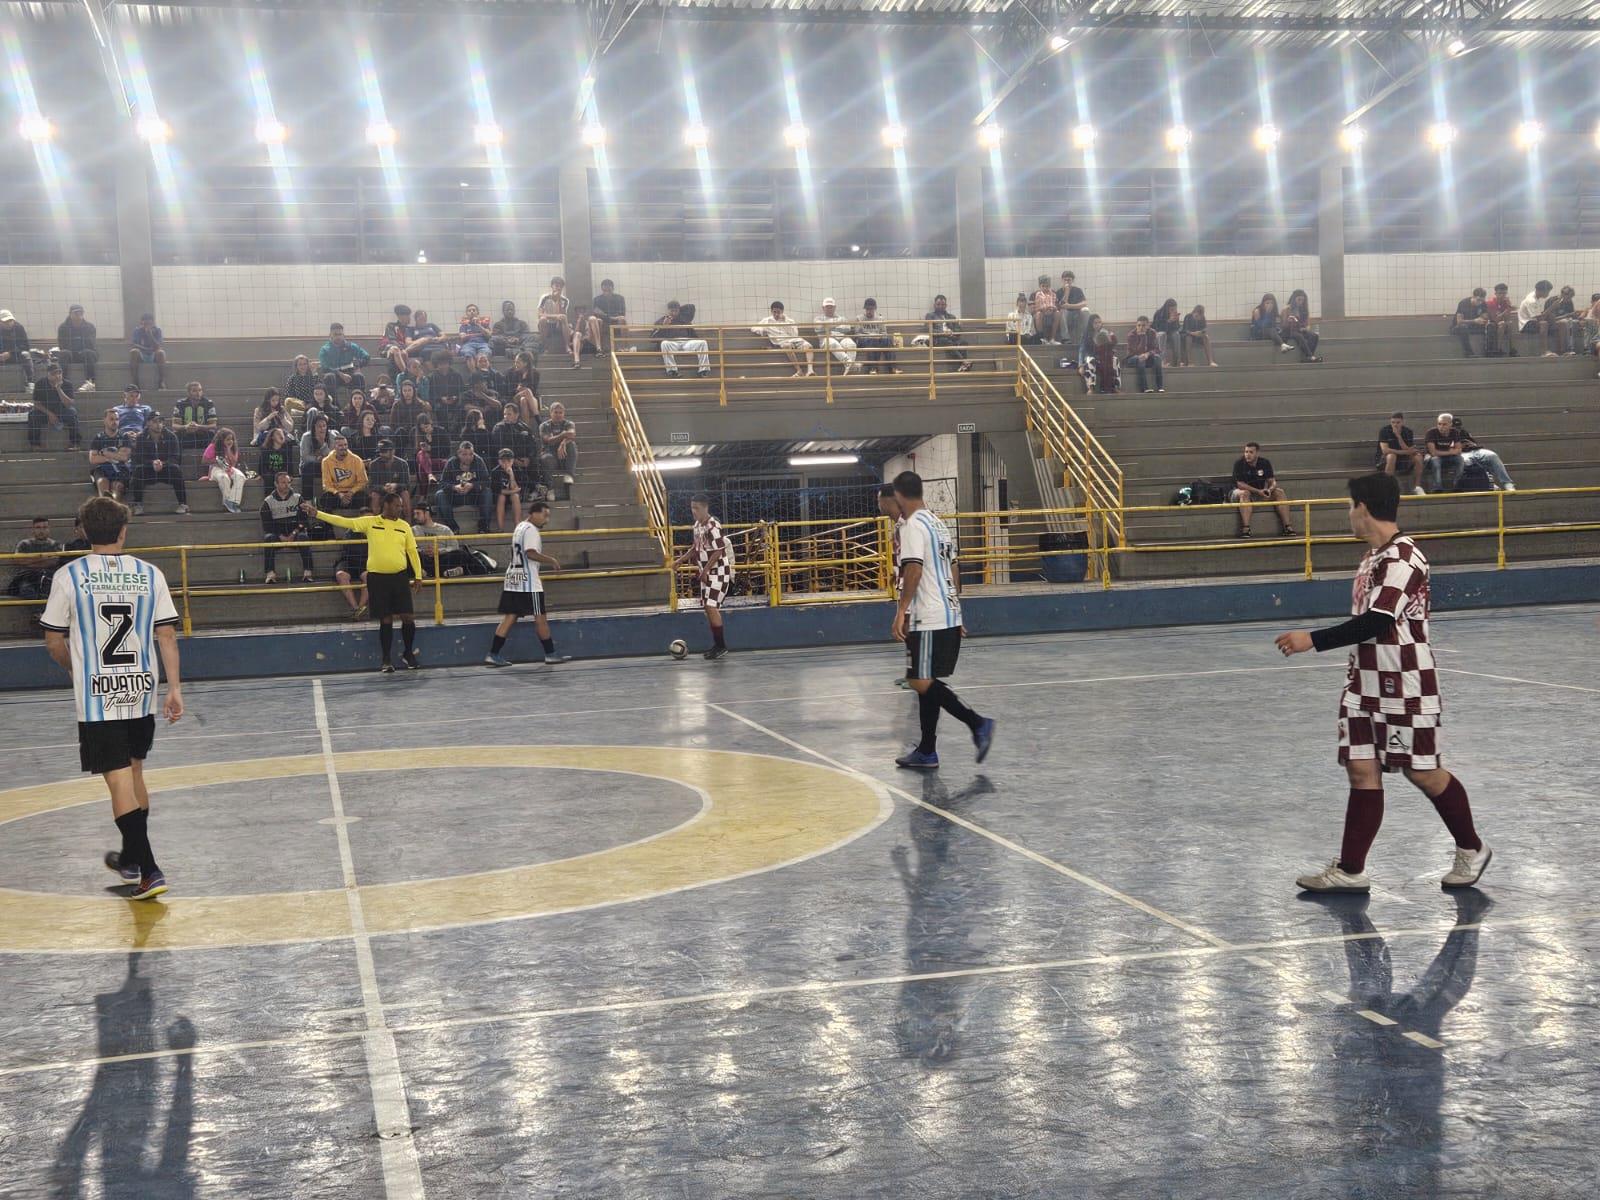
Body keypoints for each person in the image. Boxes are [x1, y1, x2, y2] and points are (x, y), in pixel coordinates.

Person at [1275, 472, 1490, 894]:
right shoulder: (1373, 557)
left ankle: (1472, 848)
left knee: (1422, 772)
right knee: (1361, 769)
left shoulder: (1403, 558)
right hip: (1363, 685)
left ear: (1364, 508)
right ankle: (1351, 870)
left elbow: (1376, 622)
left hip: (1406, 684)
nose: (1348, 514)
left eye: (1349, 505)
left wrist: (1311, 641)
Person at [40, 495, 184, 900]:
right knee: (135, 772)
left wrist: (75, 669)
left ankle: (150, 870)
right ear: (123, 531)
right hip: (140, 690)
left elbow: (53, 639)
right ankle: (132, 857)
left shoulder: (69, 575)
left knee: (118, 780)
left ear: (84, 531)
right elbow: (167, 634)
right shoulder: (149, 573)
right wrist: (173, 688)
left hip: (97, 694)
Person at [889, 470, 993, 770]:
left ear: (898, 496)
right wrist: (955, 609)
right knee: (926, 680)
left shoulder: (911, 526)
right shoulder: (938, 523)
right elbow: (952, 569)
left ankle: (977, 723)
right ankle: (927, 750)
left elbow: (914, 570)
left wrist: (902, 610)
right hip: (946, 612)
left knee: (919, 680)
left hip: (929, 617)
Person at [304, 490, 422, 672]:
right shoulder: (371, 523)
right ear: (387, 505)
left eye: (401, 506)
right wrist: (317, 513)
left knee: (408, 617)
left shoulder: (405, 526)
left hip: (399, 577)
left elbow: (412, 551)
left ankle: (408, 653)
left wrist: (418, 576)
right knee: (386, 619)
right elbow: (344, 521)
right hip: (378, 578)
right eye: (397, 505)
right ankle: (386, 659)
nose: (400, 508)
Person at [484, 499, 570, 667]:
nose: (547, 520)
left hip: (513, 579)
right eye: (545, 515)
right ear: (535, 513)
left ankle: (492, 654)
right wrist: (551, 560)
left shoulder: (520, 527)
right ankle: (550, 654)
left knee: (510, 617)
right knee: (540, 617)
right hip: (528, 582)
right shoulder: (531, 530)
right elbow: (530, 553)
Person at [675, 492, 735, 659]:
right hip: (707, 574)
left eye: (697, 508)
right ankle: (718, 645)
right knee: (709, 609)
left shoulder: (712, 525)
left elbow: (719, 550)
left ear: (705, 508)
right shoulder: (697, 526)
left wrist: (706, 570)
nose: (694, 511)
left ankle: (721, 646)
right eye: (692, 508)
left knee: (710, 606)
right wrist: (680, 560)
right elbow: (695, 548)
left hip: (719, 572)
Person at [1424, 412, 1516, 493]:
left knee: (1492, 456)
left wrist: (1463, 447)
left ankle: (1507, 483)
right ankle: (1488, 483)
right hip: (1462, 454)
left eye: (1445, 424)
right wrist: (1453, 451)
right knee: (1466, 461)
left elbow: (1465, 446)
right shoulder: (1435, 433)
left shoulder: (1461, 432)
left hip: (1475, 450)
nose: (1442, 427)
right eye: (1440, 424)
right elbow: (1443, 451)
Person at [1230, 441, 1295, 537]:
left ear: (1257, 453)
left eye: (1251, 452)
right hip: (1237, 493)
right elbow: (1240, 485)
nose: (1247, 455)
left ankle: (1287, 527)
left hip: (1258, 493)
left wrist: (1270, 489)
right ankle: (1246, 529)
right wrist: (1258, 491)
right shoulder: (1239, 463)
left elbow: (1272, 481)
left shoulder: (1264, 463)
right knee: (1245, 493)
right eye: (1246, 452)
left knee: (1280, 492)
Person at [259, 472, 314, 584]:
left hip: (295, 532)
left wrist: (294, 533)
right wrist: (281, 536)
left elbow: (303, 520)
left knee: (303, 537)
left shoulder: (298, 498)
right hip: (277, 534)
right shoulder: (268, 502)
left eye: (288, 482)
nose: (287, 485)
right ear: (276, 484)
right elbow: (267, 524)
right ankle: (270, 574)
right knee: (268, 539)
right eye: (283, 482)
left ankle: (308, 573)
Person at [129, 413, 188, 516]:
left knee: (176, 470)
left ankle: (183, 504)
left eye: (160, 421)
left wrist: (163, 463)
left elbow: (176, 458)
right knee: (138, 471)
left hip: (166, 470)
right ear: (148, 423)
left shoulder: (171, 436)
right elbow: (137, 458)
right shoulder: (140, 437)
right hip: (148, 470)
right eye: (155, 421)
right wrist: (152, 463)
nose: (158, 424)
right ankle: (138, 505)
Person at [435, 440, 493, 530]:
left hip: (473, 496)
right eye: (465, 454)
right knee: (439, 494)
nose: (468, 457)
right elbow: (442, 483)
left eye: (471, 454)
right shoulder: (451, 462)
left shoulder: (479, 461)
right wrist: (454, 487)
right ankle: (453, 528)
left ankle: (484, 526)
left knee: (488, 492)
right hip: (456, 496)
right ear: (459, 453)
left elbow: (487, 481)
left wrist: (473, 485)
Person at [752, 301, 814, 377]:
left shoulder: (789, 321)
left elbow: (795, 334)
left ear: (782, 311)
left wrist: (785, 323)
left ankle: (810, 370)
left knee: (809, 346)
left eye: (778, 312)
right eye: (774, 312)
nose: (776, 314)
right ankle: (799, 370)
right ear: (771, 311)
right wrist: (761, 331)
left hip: (794, 340)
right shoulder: (766, 321)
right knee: (786, 345)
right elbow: (753, 327)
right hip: (782, 342)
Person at [29, 362, 83, 450]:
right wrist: (50, 414)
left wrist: (58, 388)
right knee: (32, 415)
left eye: (59, 372)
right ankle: (35, 445)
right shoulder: (40, 383)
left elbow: (68, 404)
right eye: (54, 373)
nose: (57, 375)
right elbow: (36, 403)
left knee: (72, 413)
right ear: (48, 374)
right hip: (45, 411)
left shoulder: (67, 384)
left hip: (62, 410)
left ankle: (75, 443)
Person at [7, 517, 62, 600]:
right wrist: (43, 558)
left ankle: (39, 612)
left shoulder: (55, 544)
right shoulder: (24, 544)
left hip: (48, 577)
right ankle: (38, 612)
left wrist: (30, 560)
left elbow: (53, 561)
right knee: (26, 590)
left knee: (51, 590)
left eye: (44, 527)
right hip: (27, 578)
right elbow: (18, 560)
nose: (41, 530)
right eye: (38, 527)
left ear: (49, 529)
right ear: (33, 529)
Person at [654, 301, 710, 378]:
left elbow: (691, 307)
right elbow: (653, 338)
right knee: (664, 343)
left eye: (676, 310)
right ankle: (672, 371)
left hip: (686, 342)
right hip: (672, 343)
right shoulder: (662, 320)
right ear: (668, 310)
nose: (673, 313)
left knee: (703, 343)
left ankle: (703, 370)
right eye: (671, 311)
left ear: (679, 310)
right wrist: (663, 326)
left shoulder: (684, 319)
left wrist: (680, 309)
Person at [201, 428, 250, 514]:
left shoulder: (233, 448)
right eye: (227, 439)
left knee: (240, 476)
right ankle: (227, 501)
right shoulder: (213, 446)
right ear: (222, 440)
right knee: (224, 477)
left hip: (229, 468)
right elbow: (204, 460)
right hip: (216, 468)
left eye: (232, 439)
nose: (230, 441)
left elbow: (233, 462)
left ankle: (233, 502)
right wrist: (217, 461)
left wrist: (228, 449)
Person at [1376, 413, 1426, 494]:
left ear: (1402, 422)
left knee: (1418, 457)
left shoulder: (1408, 431)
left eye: (1398, 422)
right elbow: (1385, 450)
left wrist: (1398, 436)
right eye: (1393, 422)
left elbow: (1408, 449)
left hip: (1403, 458)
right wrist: (1404, 452)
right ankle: (1388, 487)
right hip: (1385, 459)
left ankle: (1417, 487)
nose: (1395, 425)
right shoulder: (1384, 431)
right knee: (1392, 456)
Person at [89, 410, 133, 499]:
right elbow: (92, 459)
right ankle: (106, 503)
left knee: (117, 486)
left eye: (117, 419)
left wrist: (104, 453)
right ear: (104, 420)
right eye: (111, 419)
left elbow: (124, 457)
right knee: (102, 482)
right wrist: (110, 458)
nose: (115, 422)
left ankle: (112, 503)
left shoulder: (124, 437)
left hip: (121, 469)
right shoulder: (98, 438)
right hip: (102, 469)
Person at [320, 433, 368, 514]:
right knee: (325, 499)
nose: (344, 447)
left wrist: (351, 492)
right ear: (334, 447)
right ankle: (328, 526)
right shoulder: (326, 461)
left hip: (353, 493)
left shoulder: (356, 460)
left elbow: (363, 481)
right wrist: (339, 494)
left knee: (364, 498)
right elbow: (326, 484)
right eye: (340, 445)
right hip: (337, 494)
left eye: (345, 445)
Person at [319, 322, 370, 396]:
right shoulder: (325, 349)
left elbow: (366, 357)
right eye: (335, 334)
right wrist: (340, 374)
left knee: (359, 376)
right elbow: (325, 367)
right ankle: (333, 405)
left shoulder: (351, 346)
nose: (338, 337)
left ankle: (361, 403)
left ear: (343, 335)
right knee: (329, 377)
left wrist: (357, 366)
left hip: (349, 374)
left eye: (340, 334)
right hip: (334, 375)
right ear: (330, 335)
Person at [53, 303, 99, 387]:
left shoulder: (89, 327)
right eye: (76, 313)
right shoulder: (63, 327)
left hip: (86, 354)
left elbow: (91, 345)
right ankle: (62, 382)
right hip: (71, 354)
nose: (79, 315)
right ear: (70, 314)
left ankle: (90, 382)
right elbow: (62, 345)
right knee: (64, 353)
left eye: (81, 313)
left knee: (88, 353)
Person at [1516, 280, 1564, 357]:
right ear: (1542, 291)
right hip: (1526, 324)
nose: (1548, 294)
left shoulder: (1537, 298)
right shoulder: (1531, 300)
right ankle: (1544, 351)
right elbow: (1540, 319)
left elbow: (1541, 315)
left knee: (1561, 324)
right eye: (1548, 291)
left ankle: (1562, 350)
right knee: (1543, 324)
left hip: (1533, 321)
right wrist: (1552, 307)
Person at [922, 295, 970, 370]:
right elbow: (928, 329)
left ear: (946, 305)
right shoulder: (930, 316)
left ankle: (963, 366)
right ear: (934, 305)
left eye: (943, 304)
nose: (940, 306)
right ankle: (964, 362)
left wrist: (952, 333)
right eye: (938, 304)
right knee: (945, 340)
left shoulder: (952, 317)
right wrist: (943, 332)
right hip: (938, 339)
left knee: (963, 342)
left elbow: (959, 329)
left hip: (951, 337)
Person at [367, 439, 413, 515]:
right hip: (381, 492)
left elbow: (407, 484)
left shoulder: (402, 464)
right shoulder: (374, 464)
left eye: (384, 452)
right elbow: (372, 486)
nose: (382, 454)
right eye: (380, 452)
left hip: (397, 492)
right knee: (374, 495)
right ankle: (375, 523)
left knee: (405, 493)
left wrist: (396, 485)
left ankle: (408, 524)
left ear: (392, 451)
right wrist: (383, 488)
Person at [170, 381, 218, 453]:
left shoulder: (208, 403)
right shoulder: (180, 403)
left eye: (200, 390)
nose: (198, 393)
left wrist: (198, 427)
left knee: (212, 435)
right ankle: (176, 462)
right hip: (186, 436)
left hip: (202, 436)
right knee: (175, 435)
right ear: (189, 393)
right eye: (194, 391)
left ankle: (209, 461)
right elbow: (174, 426)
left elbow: (213, 425)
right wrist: (186, 427)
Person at [539, 402, 578, 486]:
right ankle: (550, 488)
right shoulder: (544, 426)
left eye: (560, 412)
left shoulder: (569, 424)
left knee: (571, 445)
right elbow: (549, 440)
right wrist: (563, 434)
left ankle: (569, 475)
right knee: (545, 458)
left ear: (564, 413)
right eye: (555, 412)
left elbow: (572, 434)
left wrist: (563, 443)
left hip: (565, 456)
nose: (558, 415)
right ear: (551, 413)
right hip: (551, 455)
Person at [0, 308, 44, 383]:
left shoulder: (18, 328)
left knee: (25, 355)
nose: (9, 323)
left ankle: (30, 382)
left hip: (15, 355)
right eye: (5, 321)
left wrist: (10, 353)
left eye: (10, 320)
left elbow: (26, 346)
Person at [298, 412, 334, 504]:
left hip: (327, 465)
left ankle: (328, 502)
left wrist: (323, 445)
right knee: (307, 467)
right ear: (314, 427)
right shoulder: (306, 437)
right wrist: (318, 459)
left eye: (324, 426)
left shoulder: (332, 436)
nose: (322, 428)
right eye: (319, 426)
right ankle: (308, 501)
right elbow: (305, 457)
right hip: (310, 467)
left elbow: (333, 455)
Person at [815, 298, 858, 373]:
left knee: (851, 344)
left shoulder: (841, 318)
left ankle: (849, 369)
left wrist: (829, 327)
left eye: (831, 307)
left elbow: (847, 328)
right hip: (826, 340)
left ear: (834, 307)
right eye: (827, 307)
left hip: (842, 338)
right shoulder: (818, 318)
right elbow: (819, 327)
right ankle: (850, 364)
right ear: (823, 308)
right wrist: (838, 325)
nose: (829, 309)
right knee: (833, 343)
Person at [1122, 316, 1165, 393]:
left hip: (1147, 357)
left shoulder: (1152, 332)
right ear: (1136, 325)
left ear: (1148, 326)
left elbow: (1157, 349)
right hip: (1132, 359)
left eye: (1143, 325)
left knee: (1157, 358)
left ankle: (1160, 387)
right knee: (1140, 359)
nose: (1141, 327)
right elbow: (1137, 352)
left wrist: (1148, 354)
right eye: (1139, 325)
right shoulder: (1131, 335)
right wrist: (1143, 337)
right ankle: (1144, 388)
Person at [1079, 314, 1118, 394]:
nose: (1098, 325)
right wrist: (1081, 365)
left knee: (1115, 360)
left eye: (1099, 322)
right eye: (1095, 323)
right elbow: (1082, 350)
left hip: (1103, 357)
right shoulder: (1087, 334)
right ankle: (1091, 387)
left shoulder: (1105, 332)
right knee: (1091, 360)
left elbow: (1111, 346)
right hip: (1091, 356)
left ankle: (1115, 386)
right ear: (1091, 324)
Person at [129, 313, 166, 392]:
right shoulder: (137, 331)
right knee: (133, 352)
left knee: (161, 353)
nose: (147, 325)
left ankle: (161, 381)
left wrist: (150, 334)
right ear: (141, 323)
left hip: (154, 355)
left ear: (152, 323)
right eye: (145, 323)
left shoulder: (157, 330)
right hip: (141, 354)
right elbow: (134, 345)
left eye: (149, 323)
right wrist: (147, 349)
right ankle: (135, 383)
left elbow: (158, 346)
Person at [856, 299, 897, 372]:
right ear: (865, 309)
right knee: (871, 341)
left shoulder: (880, 318)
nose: (869, 311)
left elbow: (884, 333)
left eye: (871, 309)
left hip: (878, 339)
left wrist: (879, 337)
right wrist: (870, 336)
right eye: (867, 309)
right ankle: (872, 368)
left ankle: (892, 367)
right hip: (865, 340)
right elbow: (857, 334)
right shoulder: (859, 318)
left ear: (875, 309)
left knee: (888, 340)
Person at [1282, 290, 1322, 362]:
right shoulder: (1286, 309)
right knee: (1299, 336)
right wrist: (1288, 321)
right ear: (1294, 299)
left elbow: (1307, 324)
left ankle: (1308, 357)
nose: (1300, 302)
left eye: (1302, 300)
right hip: (1290, 331)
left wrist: (1305, 328)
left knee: (1314, 336)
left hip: (1300, 330)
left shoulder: (1304, 309)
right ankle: (1310, 356)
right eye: (1299, 299)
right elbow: (1283, 326)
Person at [490, 447, 524, 531]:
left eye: (509, 461)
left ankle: (517, 526)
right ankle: (500, 528)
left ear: (513, 461)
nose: (506, 463)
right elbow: (499, 491)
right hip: (500, 497)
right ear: (499, 461)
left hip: (513, 496)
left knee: (515, 496)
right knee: (501, 497)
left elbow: (516, 488)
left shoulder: (517, 470)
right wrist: (514, 491)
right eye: (503, 461)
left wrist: (511, 475)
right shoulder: (495, 472)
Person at [537, 277, 572, 355]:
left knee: (563, 317)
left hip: (558, 325)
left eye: (560, 286)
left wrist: (558, 300)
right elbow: (539, 314)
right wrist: (554, 316)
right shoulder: (545, 297)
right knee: (542, 319)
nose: (558, 288)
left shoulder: (565, 300)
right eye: (556, 285)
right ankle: (545, 347)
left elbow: (563, 315)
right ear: (552, 286)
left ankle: (567, 346)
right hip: (547, 324)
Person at [1451, 288, 1490, 358]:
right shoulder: (1463, 303)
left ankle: (1490, 351)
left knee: (1490, 327)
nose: (1480, 302)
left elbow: (1485, 316)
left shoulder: (1483, 304)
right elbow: (1459, 321)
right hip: (1458, 327)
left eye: (1482, 300)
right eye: (1478, 300)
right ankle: (1469, 353)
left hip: (1473, 327)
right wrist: (1474, 321)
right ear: (1473, 297)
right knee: (1463, 327)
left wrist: (1484, 319)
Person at [591, 279, 627, 350]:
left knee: (622, 319)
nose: (607, 291)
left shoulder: (620, 298)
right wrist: (610, 317)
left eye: (609, 288)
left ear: (613, 288)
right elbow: (596, 314)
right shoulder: (597, 299)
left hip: (616, 321)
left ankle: (624, 347)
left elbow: (622, 313)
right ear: (602, 289)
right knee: (597, 320)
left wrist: (613, 317)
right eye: (605, 289)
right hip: (603, 322)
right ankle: (599, 348)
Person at [1484, 283, 1519, 357]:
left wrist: (1509, 307)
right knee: (1502, 324)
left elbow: (1507, 319)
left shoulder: (1505, 303)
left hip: (1502, 325)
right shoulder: (1490, 303)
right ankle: (1498, 349)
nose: (1502, 295)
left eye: (1504, 293)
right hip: (1491, 325)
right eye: (1500, 293)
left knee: (1510, 323)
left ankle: (1512, 349)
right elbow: (1495, 320)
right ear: (1495, 293)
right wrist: (1507, 310)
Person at [380, 304, 415, 375]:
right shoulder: (391, 325)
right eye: (407, 316)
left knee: (402, 353)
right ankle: (406, 375)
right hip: (388, 348)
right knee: (396, 349)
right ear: (400, 316)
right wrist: (402, 349)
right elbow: (392, 340)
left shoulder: (410, 329)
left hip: (403, 350)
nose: (409, 318)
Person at [1057, 271, 1088, 349]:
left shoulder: (1078, 290)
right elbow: (1062, 305)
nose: (1067, 282)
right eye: (1065, 280)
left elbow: (1084, 303)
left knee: (1085, 310)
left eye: (1069, 280)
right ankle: (1066, 338)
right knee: (1062, 311)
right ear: (1062, 280)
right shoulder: (1059, 291)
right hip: (1066, 316)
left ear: (1072, 280)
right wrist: (1067, 292)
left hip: (1077, 314)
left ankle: (1086, 336)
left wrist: (1070, 306)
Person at [1029, 276, 1060, 344]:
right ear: (1039, 286)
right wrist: (1042, 309)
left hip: (1051, 314)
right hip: (1039, 314)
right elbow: (1032, 310)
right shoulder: (1034, 294)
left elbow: (1058, 306)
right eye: (1043, 286)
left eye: (1047, 286)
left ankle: (1052, 339)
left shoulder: (1054, 294)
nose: (1045, 288)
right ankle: (1043, 338)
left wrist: (1053, 308)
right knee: (1039, 314)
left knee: (1057, 313)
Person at [1151, 299, 1182, 366]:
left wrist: (1175, 321)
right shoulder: (1159, 313)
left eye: (1174, 309)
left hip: (1170, 334)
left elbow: (1176, 329)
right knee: (1163, 334)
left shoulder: (1174, 314)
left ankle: (1177, 361)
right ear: (1166, 308)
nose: (1173, 311)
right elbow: (1157, 328)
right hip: (1158, 334)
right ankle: (1162, 361)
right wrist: (1168, 321)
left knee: (1177, 334)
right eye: (1171, 309)